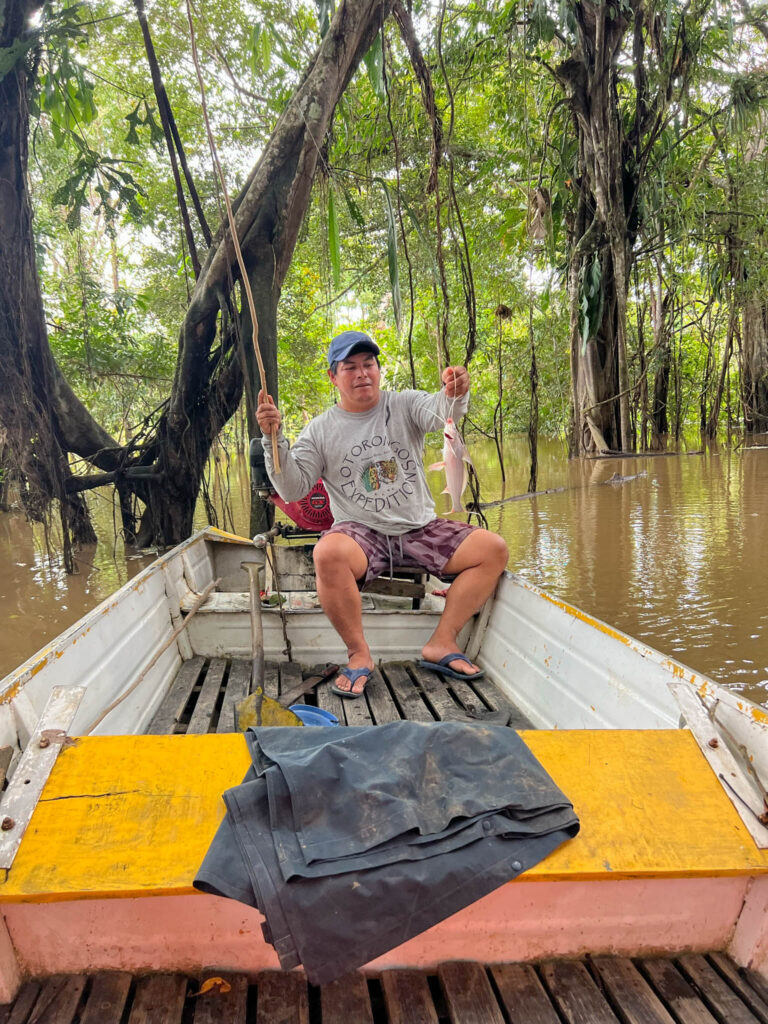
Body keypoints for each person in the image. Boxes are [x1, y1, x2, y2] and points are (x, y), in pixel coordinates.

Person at [256, 330, 509, 698]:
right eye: (350, 367)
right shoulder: (321, 430)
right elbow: (293, 489)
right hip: (362, 532)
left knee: (493, 550)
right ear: (333, 377)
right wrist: (273, 439)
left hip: (420, 526)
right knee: (327, 552)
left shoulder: (404, 404)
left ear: (378, 369)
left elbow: (443, 413)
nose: (362, 374)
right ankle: (359, 654)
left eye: (368, 365)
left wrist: (456, 391)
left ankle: (442, 641)